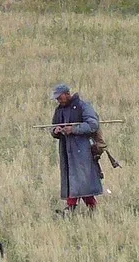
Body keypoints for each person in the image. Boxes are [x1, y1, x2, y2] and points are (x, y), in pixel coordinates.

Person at [50, 83, 104, 213]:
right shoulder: (59, 110)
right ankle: (90, 208)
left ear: (67, 94)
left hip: (83, 150)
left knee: (81, 179)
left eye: (60, 97)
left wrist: (74, 129)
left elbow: (93, 125)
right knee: (76, 180)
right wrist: (56, 131)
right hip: (66, 150)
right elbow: (52, 127)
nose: (58, 100)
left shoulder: (83, 106)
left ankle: (71, 208)